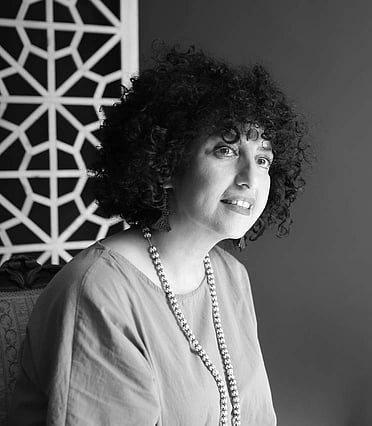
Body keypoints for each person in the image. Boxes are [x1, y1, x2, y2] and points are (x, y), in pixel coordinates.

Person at [9, 46, 310, 426]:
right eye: (226, 150)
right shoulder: (100, 290)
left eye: (263, 159)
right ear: (167, 166)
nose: (251, 177)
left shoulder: (231, 277)